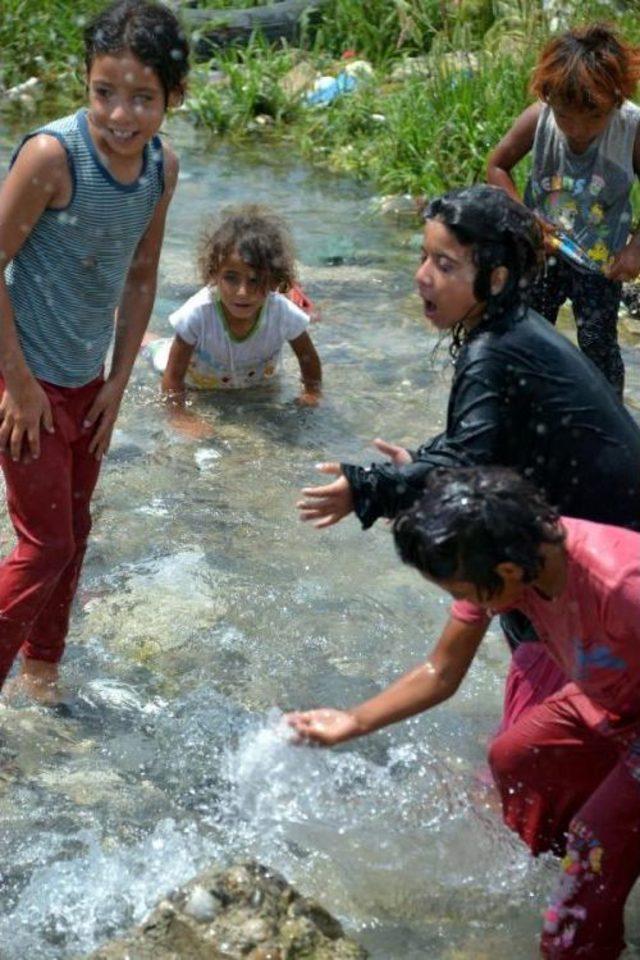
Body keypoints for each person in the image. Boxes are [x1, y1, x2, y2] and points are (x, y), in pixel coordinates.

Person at [297, 184, 640, 730]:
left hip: (607, 567)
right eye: (422, 256)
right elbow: (484, 445)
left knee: (549, 742)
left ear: (495, 278)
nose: (422, 276)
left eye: (445, 264)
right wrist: (423, 462)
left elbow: (470, 456)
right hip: (564, 553)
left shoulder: (494, 350)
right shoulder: (512, 331)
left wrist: (369, 487)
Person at [289, 465, 640, 960]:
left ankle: (578, 938)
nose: (462, 603)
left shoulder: (622, 584)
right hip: (614, 696)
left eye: (459, 592)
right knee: (518, 758)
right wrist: (353, 721)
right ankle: (545, 883)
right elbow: (442, 669)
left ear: (507, 574)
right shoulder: (505, 552)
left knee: (592, 852)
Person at [0, 0, 189, 702]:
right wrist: (17, 384)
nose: (121, 115)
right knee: (43, 544)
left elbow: (142, 275)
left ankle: (43, 673)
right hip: (23, 375)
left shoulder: (159, 170)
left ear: (175, 96)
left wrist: (116, 383)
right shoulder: (53, 157)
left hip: (87, 380)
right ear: (84, 83)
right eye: (104, 92)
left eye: (144, 98)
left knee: (74, 533)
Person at [487, 23, 640, 396]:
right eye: (565, 116)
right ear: (548, 98)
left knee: (597, 345)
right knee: (524, 333)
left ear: (616, 100)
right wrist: (525, 219)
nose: (578, 129)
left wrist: (636, 248)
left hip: (600, 262)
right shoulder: (539, 117)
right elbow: (497, 166)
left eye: (594, 117)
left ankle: (609, 427)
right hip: (541, 252)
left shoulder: (632, 129)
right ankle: (523, 410)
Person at [149, 203, 322, 406]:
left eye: (255, 280)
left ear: (275, 281)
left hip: (250, 385)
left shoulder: (282, 313)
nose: (243, 292)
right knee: (150, 345)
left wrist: (312, 393)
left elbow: (308, 359)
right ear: (214, 274)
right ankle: (125, 321)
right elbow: (172, 378)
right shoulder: (198, 313)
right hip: (195, 382)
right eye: (231, 278)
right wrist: (179, 415)